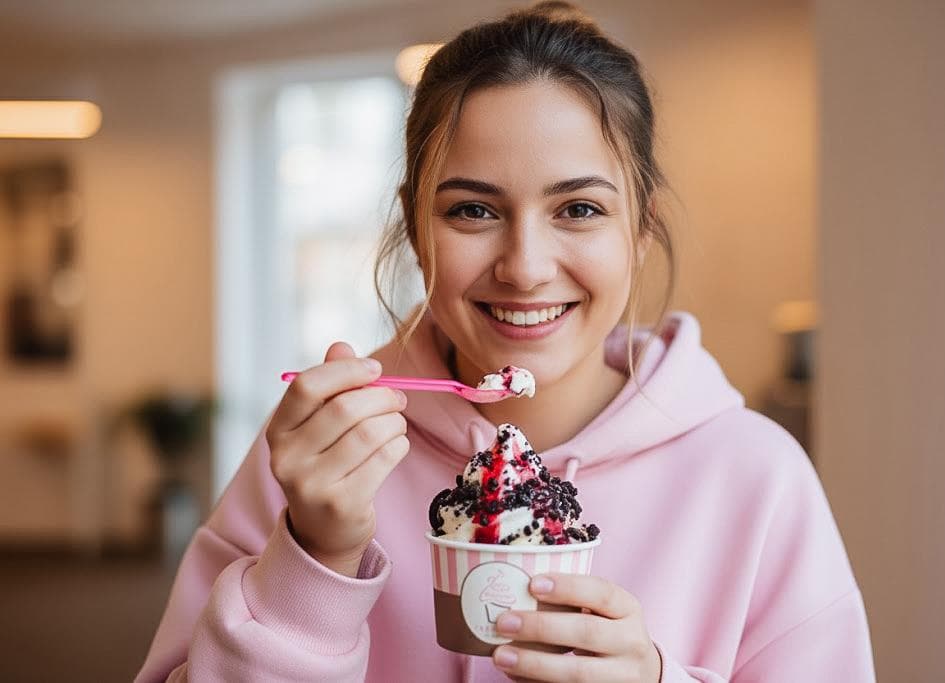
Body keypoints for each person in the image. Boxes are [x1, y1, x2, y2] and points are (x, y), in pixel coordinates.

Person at [136, 3, 874, 681]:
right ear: (415, 228)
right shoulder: (319, 460)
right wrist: (313, 559)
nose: (524, 267)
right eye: (473, 210)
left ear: (641, 229)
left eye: (578, 208)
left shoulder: (756, 477)